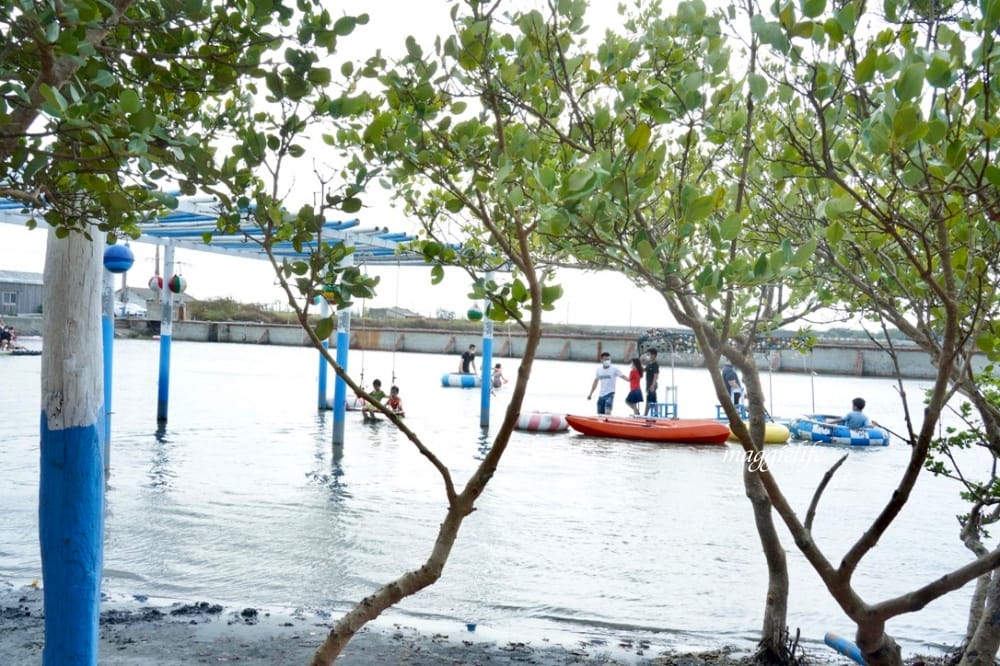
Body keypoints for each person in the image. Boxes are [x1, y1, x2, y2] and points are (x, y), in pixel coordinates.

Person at [643, 348, 660, 415]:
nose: (648, 356)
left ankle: (647, 414)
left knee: (651, 400)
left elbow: (656, 375)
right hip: (648, 384)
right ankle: (651, 414)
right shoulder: (649, 363)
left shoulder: (655, 364)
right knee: (651, 399)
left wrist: (653, 385)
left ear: (654, 355)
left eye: (649, 354)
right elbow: (644, 370)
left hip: (652, 384)